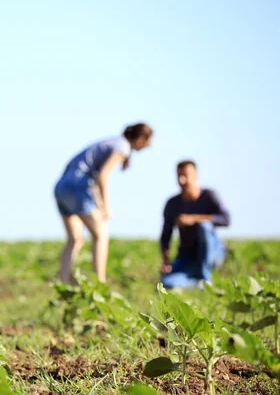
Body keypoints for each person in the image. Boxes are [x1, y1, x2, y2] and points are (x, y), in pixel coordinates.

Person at [54, 123, 153, 284]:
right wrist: (105, 207)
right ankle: (100, 282)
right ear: (141, 139)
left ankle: (63, 282)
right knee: (101, 235)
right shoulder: (122, 147)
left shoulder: (112, 142)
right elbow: (102, 176)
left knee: (75, 238)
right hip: (77, 188)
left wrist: (97, 202)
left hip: (61, 188)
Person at [160, 160, 230, 288]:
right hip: (188, 256)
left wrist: (194, 219)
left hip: (214, 252)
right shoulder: (172, 204)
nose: (182, 180)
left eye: (186, 175)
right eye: (179, 176)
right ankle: (197, 282)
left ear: (196, 175)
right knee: (166, 283)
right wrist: (166, 262)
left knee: (204, 226)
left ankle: (205, 277)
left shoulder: (209, 196)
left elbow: (225, 219)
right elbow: (166, 236)